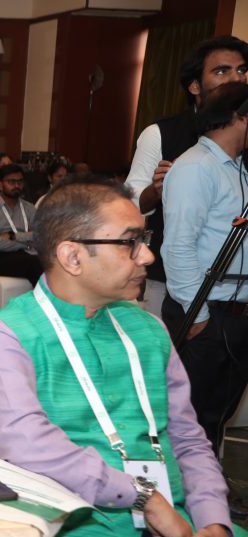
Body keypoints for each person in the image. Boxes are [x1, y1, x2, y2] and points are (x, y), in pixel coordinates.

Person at [0, 175, 248, 537]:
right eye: (132, 242)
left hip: (188, 522)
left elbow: (186, 437)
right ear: (72, 256)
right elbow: (29, 445)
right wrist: (144, 498)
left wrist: (214, 522)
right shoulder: (7, 336)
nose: (147, 257)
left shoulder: (147, 327)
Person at [127, 35, 248, 317]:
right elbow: (131, 204)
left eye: (242, 70)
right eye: (222, 71)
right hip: (171, 283)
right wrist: (159, 189)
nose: (236, 79)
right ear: (195, 85)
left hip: (235, 296)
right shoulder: (162, 133)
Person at [161, 81, 248, 455]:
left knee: (216, 414)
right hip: (205, 311)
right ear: (238, 116)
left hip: (236, 311)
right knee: (188, 418)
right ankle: (182, 494)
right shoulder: (196, 167)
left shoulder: (239, 169)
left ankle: (208, 492)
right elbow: (178, 244)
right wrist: (195, 315)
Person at [0, 163, 42, 286]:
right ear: (0, 185)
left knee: (50, 261)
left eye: (20, 182)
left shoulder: (29, 208)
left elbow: (40, 237)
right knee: (34, 263)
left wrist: (13, 236)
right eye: (11, 182)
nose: (17, 186)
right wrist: (27, 239)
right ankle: (51, 301)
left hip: (27, 255)